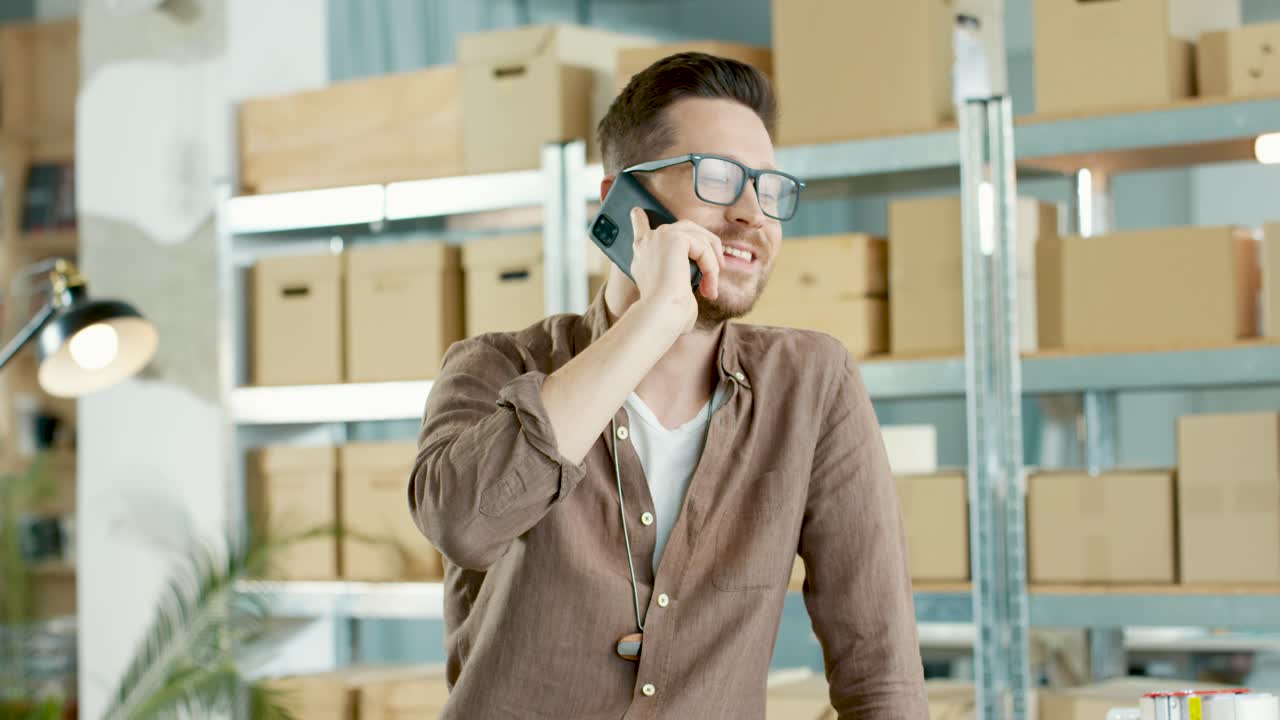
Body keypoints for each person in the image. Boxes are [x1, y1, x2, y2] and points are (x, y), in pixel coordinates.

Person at [409, 51, 926, 719]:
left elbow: (880, 675)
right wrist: (655, 319)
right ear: (622, 203)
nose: (751, 214)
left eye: (768, 188)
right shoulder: (494, 368)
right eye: (717, 179)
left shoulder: (813, 384)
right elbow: (465, 524)